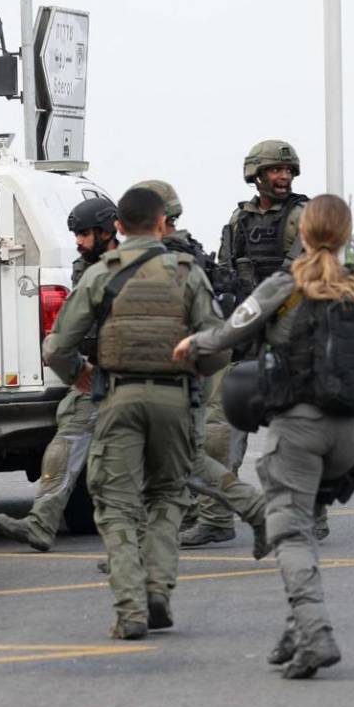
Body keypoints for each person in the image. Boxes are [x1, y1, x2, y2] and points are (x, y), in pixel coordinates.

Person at [174, 194, 354, 678]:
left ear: (304, 233)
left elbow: (230, 332)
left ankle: (315, 633)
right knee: (306, 525)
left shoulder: (284, 284)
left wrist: (193, 343)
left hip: (298, 429)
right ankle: (295, 631)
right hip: (352, 436)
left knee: (289, 532)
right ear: (345, 235)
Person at [43, 187, 230, 639]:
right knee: (167, 497)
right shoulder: (187, 272)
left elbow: (57, 347)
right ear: (162, 223)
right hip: (175, 401)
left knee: (116, 505)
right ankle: (158, 590)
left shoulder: (99, 275)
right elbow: (218, 346)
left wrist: (81, 374)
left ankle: (131, 609)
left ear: (118, 228)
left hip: (117, 400)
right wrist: (193, 374)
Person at [131, 179, 271, 556]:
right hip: (190, 362)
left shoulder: (175, 257)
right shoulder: (173, 253)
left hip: (199, 361)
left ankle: (216, 519)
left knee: (206, 438)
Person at [190, 141, 314, 547]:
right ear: (256, 175)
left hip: (289, 337)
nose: (283, 177)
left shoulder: (304, 216)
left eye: (288, 171)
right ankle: (216, 518)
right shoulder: (238, 219)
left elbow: (301, 273)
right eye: (275, 170)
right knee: (220, 430)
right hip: (246, 335)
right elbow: (227, 269)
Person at [0, 195, 121, 553]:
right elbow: (71, 328)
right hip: (99, 374)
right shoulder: (85, 270)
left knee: (176, 458)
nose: (78, 242)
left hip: (145, 378)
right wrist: (79, 369)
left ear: (107, 231)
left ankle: (235, 511)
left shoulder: (136, 264)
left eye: (84, 234)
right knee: (67, 439)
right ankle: (41, 523)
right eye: (76, 235)